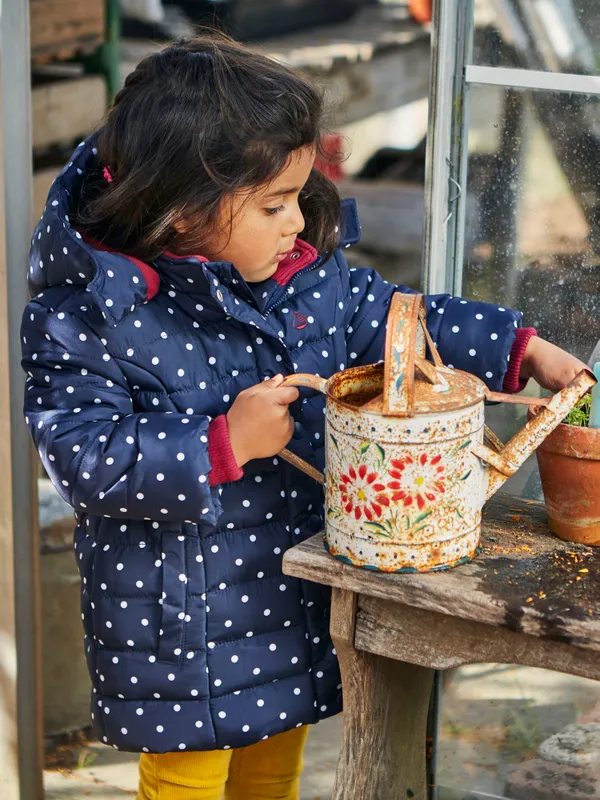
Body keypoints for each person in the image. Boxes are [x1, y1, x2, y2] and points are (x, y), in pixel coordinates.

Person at [22, 31, 585, 800]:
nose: (298, 221)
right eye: (274, 204)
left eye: (298, 195)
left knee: (274, 771)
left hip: (287, 586)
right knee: (187, 784)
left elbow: (394, 318)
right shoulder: (89, 311)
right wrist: (223, 442)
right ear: (181, 212)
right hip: (180, 624)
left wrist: (518, 349)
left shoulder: (299, 274)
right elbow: (84, 458)